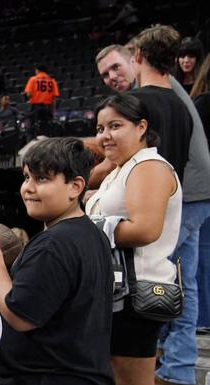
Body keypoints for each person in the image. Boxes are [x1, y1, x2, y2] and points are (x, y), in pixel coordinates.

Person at [0, 137, 114, 385]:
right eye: (26, 177)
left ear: (75, 186)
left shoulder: (54, 244)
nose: (28, 188)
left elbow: (19, 316)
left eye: (42, 179)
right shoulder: (92, 233)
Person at [125, 25, 210, 385]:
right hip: (190, 196)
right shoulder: (179, 97)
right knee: (182, 283)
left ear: (138, 57)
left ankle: (156, 362)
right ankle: (176, 368)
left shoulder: (154, 95)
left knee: (152, 278)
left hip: (177, 198)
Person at [85, 94, 182, 385]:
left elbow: (145, 230)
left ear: (141, 127)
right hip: (115, 291)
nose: (105, 136)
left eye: (115, 126)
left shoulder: (148, 166)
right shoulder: (120, 168)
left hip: (134, 293)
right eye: (100, 129)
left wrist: (85, 229)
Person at [191, 53, 210, 333]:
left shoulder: (202, 103)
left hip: (202, 192)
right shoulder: (202, 103)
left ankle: (204, 319)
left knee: (203, 257)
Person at [23, 64, 60, 139]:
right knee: (47, 128)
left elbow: (28, 94)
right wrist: (53, 112)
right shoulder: (52, 81)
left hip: (36, 108)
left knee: (31, 126)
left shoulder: (33, 79)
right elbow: (54, 99)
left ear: (37, 70)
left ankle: (31, 142)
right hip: (47, 108)